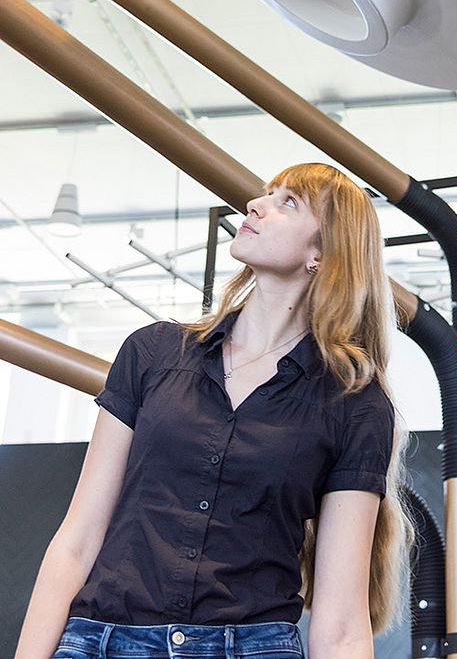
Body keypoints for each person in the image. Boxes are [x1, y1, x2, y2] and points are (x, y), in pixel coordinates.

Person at [16, 162, 411, 659]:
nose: (255, 204)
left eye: (288, 202)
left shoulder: (355, 403)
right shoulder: (153, 352)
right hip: (103, 640)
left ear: (322, 252)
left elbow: (342, 624)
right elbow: (77, 538)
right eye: (266, 194)